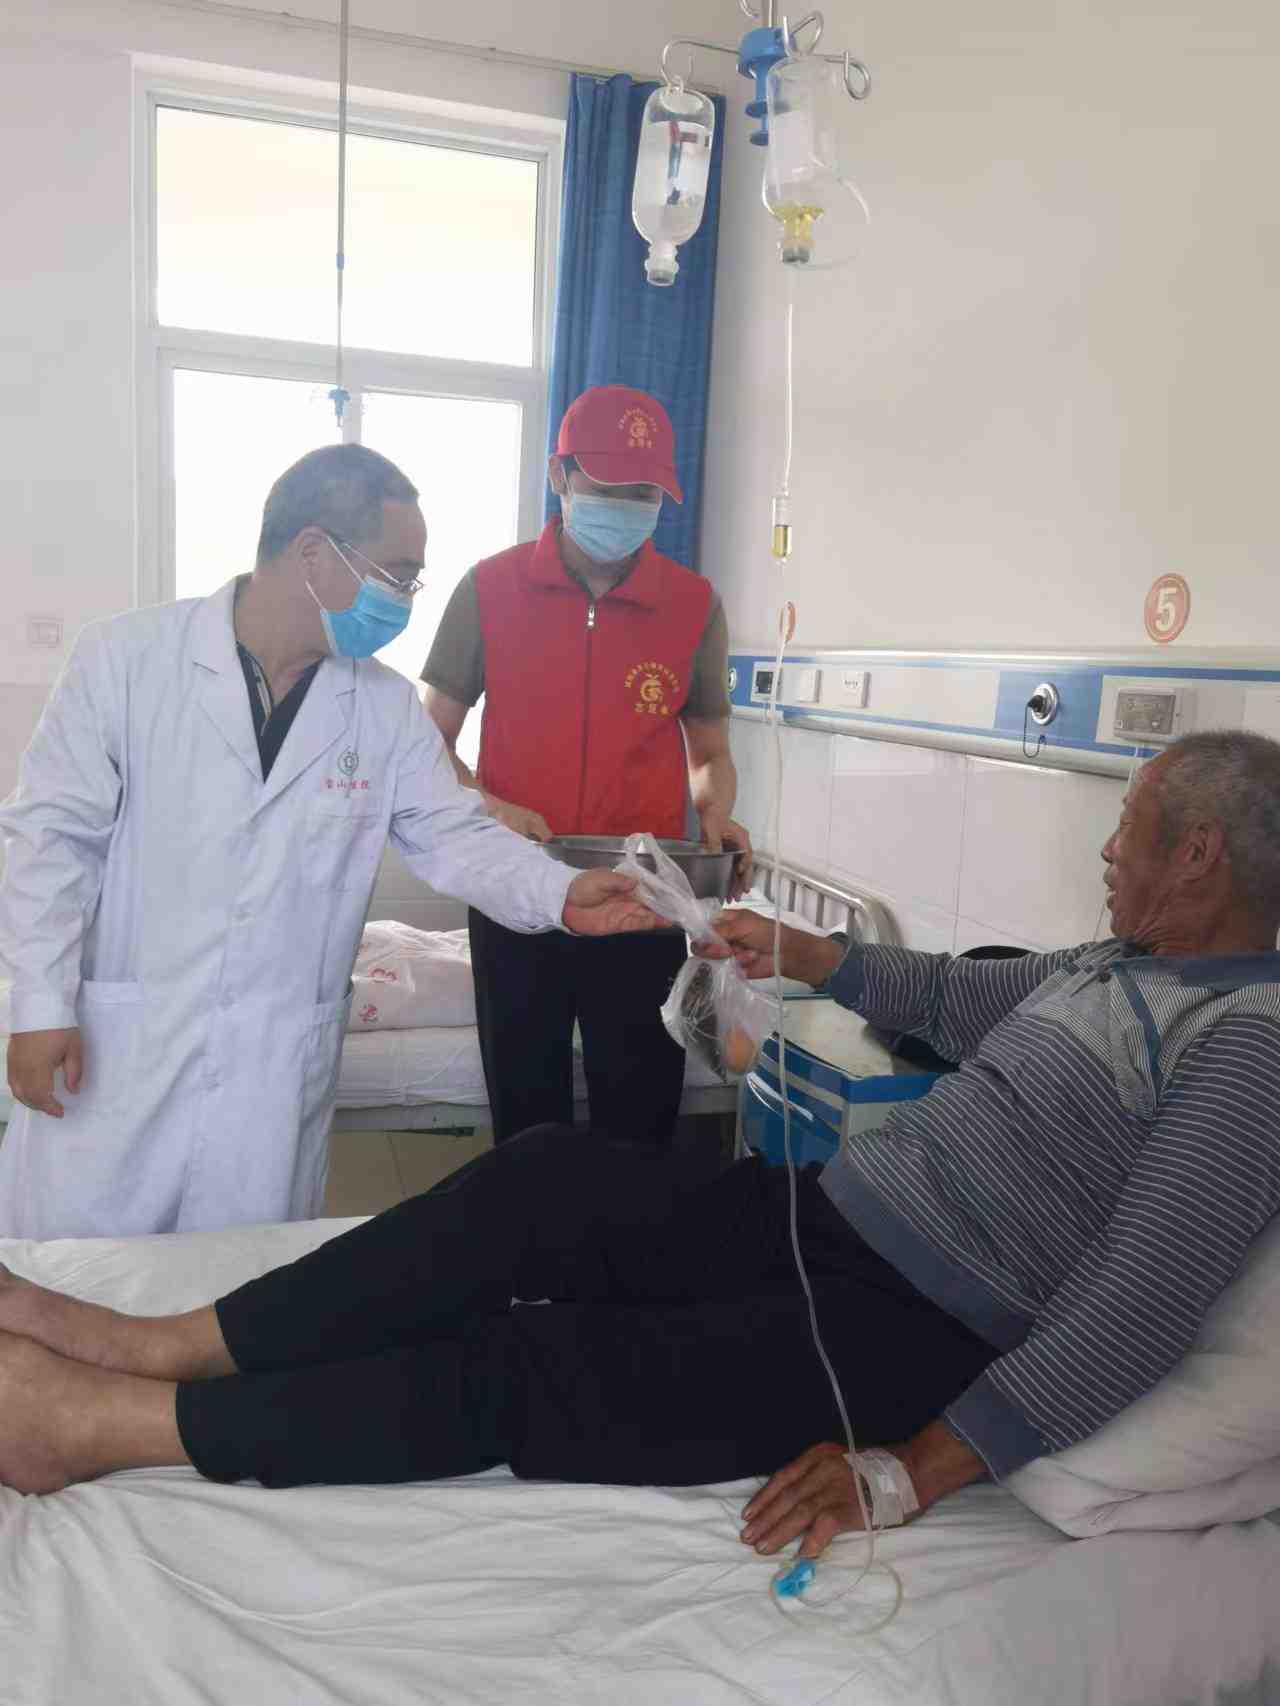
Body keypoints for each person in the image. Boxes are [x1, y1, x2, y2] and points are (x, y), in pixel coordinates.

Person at [3, 732, 1279, 1568]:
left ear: (1197, 854)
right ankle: (169, 1338)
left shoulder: (1247, 1043)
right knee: (545, 1176)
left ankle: (123, 1422)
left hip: (910, 1325)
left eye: (1127, 823)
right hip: (822, 1212)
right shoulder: (1116, 961)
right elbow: (951, 998)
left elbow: (1140, 1306)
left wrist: (911, 1471)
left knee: (540, 1365)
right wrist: (804, 949)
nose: (1105, 848)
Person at [0, 447, 660, 1242]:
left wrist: (559, 891)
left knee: (239, 1284)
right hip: (123, 1049)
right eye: (397, 575)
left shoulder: (382, 707)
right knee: (71, 1277)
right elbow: (50, 843)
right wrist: (38, 1006)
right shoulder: (125, 661)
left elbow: (451, 833)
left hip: (270, 1073)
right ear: (313, 551)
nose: (404, 600)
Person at [422, 384, 751, 1145]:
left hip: (642, 896)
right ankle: (531, 1225)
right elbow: (430, 740)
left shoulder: (693, 606)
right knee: (525, 1115)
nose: (626, 507)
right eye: (608, 487)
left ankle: (628, 1226)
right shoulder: (489, 589)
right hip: (515, 886)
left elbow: (709, 751)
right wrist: (490, 806)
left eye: (644, 493)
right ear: (559, 475)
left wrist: (716, 812)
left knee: (639, 1117)